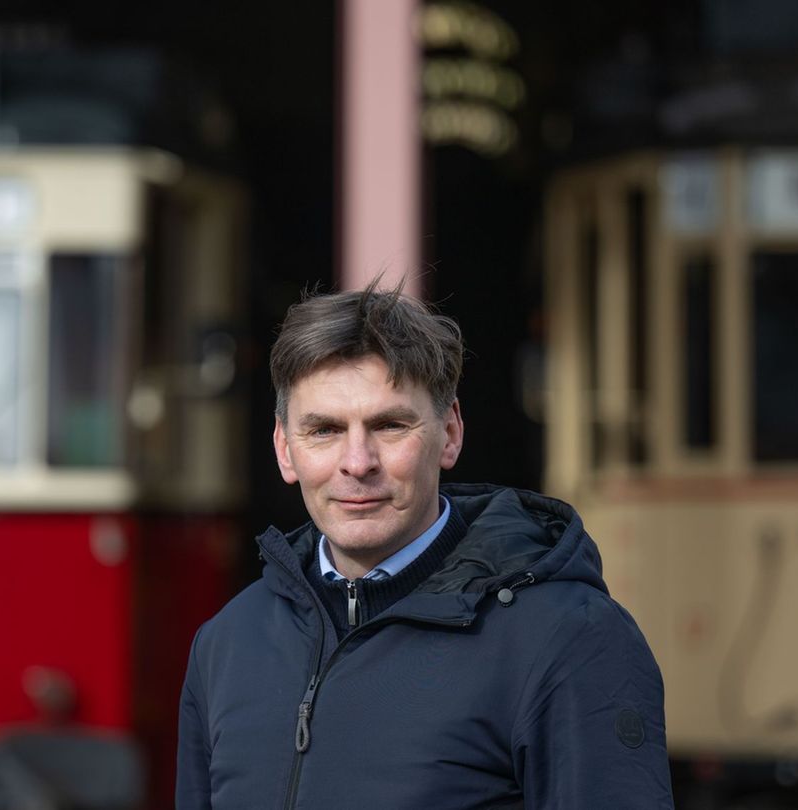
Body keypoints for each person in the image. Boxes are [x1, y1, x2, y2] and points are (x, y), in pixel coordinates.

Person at [176, 282, 673, 809]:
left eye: (390, 425)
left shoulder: (568, 638)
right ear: (284, 450)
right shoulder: (225, 644)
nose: (357, 462)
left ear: (450, 434)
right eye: (324, 430)